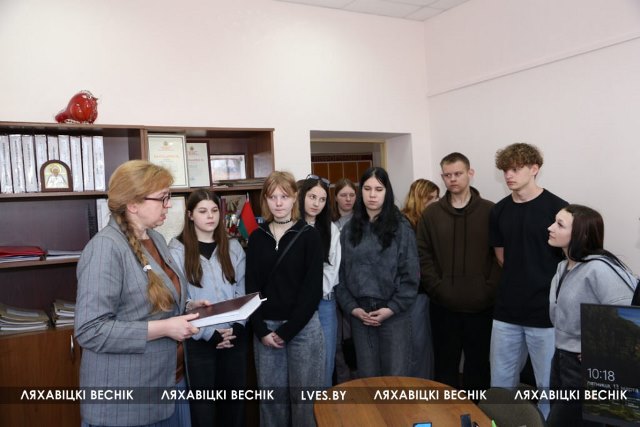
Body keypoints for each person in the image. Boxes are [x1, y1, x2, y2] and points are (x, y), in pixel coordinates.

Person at [75, 160, 200, 427]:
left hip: (168, 382)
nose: (169, 205)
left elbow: (149, 302)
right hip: (127, 401)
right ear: (133, 204)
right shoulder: (105, 248)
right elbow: (90, 330)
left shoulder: (155, 239)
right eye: (162, 198)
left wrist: (188, 307)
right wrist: (166, 327)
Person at [489, 143, 568, 418]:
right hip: (506, 311)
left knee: (548, 386)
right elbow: (502, 257)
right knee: (500, 384)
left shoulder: (558, 209)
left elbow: (568, 261)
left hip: (545, 313)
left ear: (534, 169)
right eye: (505, 170)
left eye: (515, 169)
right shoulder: (499, 210)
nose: (509, 175)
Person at [246, 171, 324, 427]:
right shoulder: (257, 237)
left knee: (305, 403)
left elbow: (312, 291)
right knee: (272, 403)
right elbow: (252, 288)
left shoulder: (309, 235)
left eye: (284, 196)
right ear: (265, 200)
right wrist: (260, 330)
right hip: (266, 331)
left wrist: (288, 331)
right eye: (272, 197)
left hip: (303, 330)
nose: (278, 203)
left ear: (294, 198)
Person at [546, 204, 636, 426]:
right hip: (561, 359)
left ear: (581, 234)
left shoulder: (600, 269)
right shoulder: (562, 267)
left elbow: (628, 312)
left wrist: (601, 352)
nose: (550, 227)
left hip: (585, 368)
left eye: (560, 224)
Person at [417, 154, 500, 390]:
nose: (452, 179)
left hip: (482, 307)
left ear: (470, 173)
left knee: (478, 368)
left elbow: (499, 256)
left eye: (458, 174)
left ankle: (477, 411)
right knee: (445, 367)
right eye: (447, 175)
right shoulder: (431, 214)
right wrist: (438, 288)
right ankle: (447, 411)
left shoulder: (491, 211)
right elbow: (423, 254)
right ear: (442, 176)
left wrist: (488, 289)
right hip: (443, 307)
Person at [168, 189, 247, 427]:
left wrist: (237, 327)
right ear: (190, 215)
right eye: (202, 211)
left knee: (233, 409)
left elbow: (241, 291)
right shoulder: (176, 250)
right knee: (204, 412)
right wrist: (208, 333)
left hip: (233, 338)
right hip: (199, 341)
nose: (210, 216)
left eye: (214, 210)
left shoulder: (233, 246)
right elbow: (180, 301)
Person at [335, 167, 419, 377]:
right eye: (367, 189)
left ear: (387, 192)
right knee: (368, 379)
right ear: (361, 191)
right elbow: (340, 276)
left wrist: (391, 308)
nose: (372, 195)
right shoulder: (348, 229)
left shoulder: (401, 227)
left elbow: (411, 276)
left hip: (393, 314)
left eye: (379, 189)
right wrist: (352, 308)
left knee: (395, 380)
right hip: (360, 315)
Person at [299, 174, 341, 388]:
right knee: (301, 364)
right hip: (295, 304)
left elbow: (331, 271)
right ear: (301, 197)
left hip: (324, 303)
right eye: (312, 197)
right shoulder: (290, 226)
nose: (316, 203)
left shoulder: (331, 229)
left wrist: (309, 291)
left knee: (324, 364)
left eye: (322, 199)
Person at [402, 178, 439, 379]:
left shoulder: (430, 220)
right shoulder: (405, 223)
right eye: (430, 198)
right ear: (419, 198)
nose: (435, 202)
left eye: (437, 197)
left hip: (429, 291)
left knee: (425, 345)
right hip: (414, 293)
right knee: (417, 345)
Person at [332, 177, 358, 383]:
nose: (348, 199)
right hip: (332, 287)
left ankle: (358, 384)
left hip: (354, 287)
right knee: (337, 342)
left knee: (354, 341)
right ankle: (342, 385)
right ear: (335, 197)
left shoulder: (361, 222)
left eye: (352, 195)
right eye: (343, 195)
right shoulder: (329, 223)